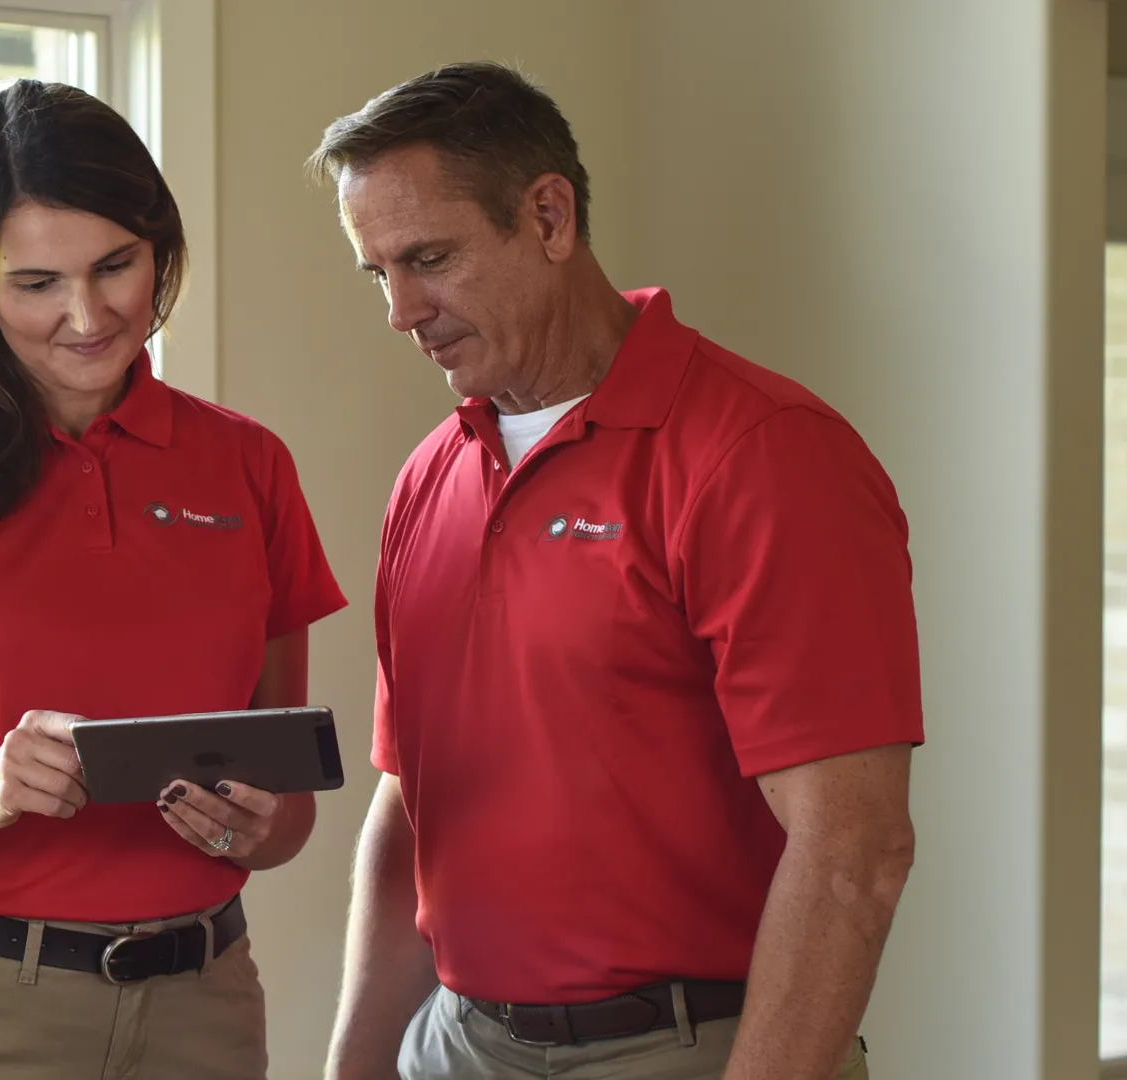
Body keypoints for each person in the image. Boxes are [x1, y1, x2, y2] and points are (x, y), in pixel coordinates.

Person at [305, 62, 922, 1080]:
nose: (401, 311)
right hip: (456, 1045)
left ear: (549, 215)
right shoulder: (431, 479)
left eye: (430, 258)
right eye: (379, 273)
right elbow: (411, 804)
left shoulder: (760, 452)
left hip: (690, 1050)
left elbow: (853, 851)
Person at [0, 79, 347, 1080]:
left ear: (158, 247)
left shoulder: (249, 467)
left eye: (115, 266)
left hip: (200, 1004)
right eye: (36, 283)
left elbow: (282, 804)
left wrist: (267, 822)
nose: (88, 315)